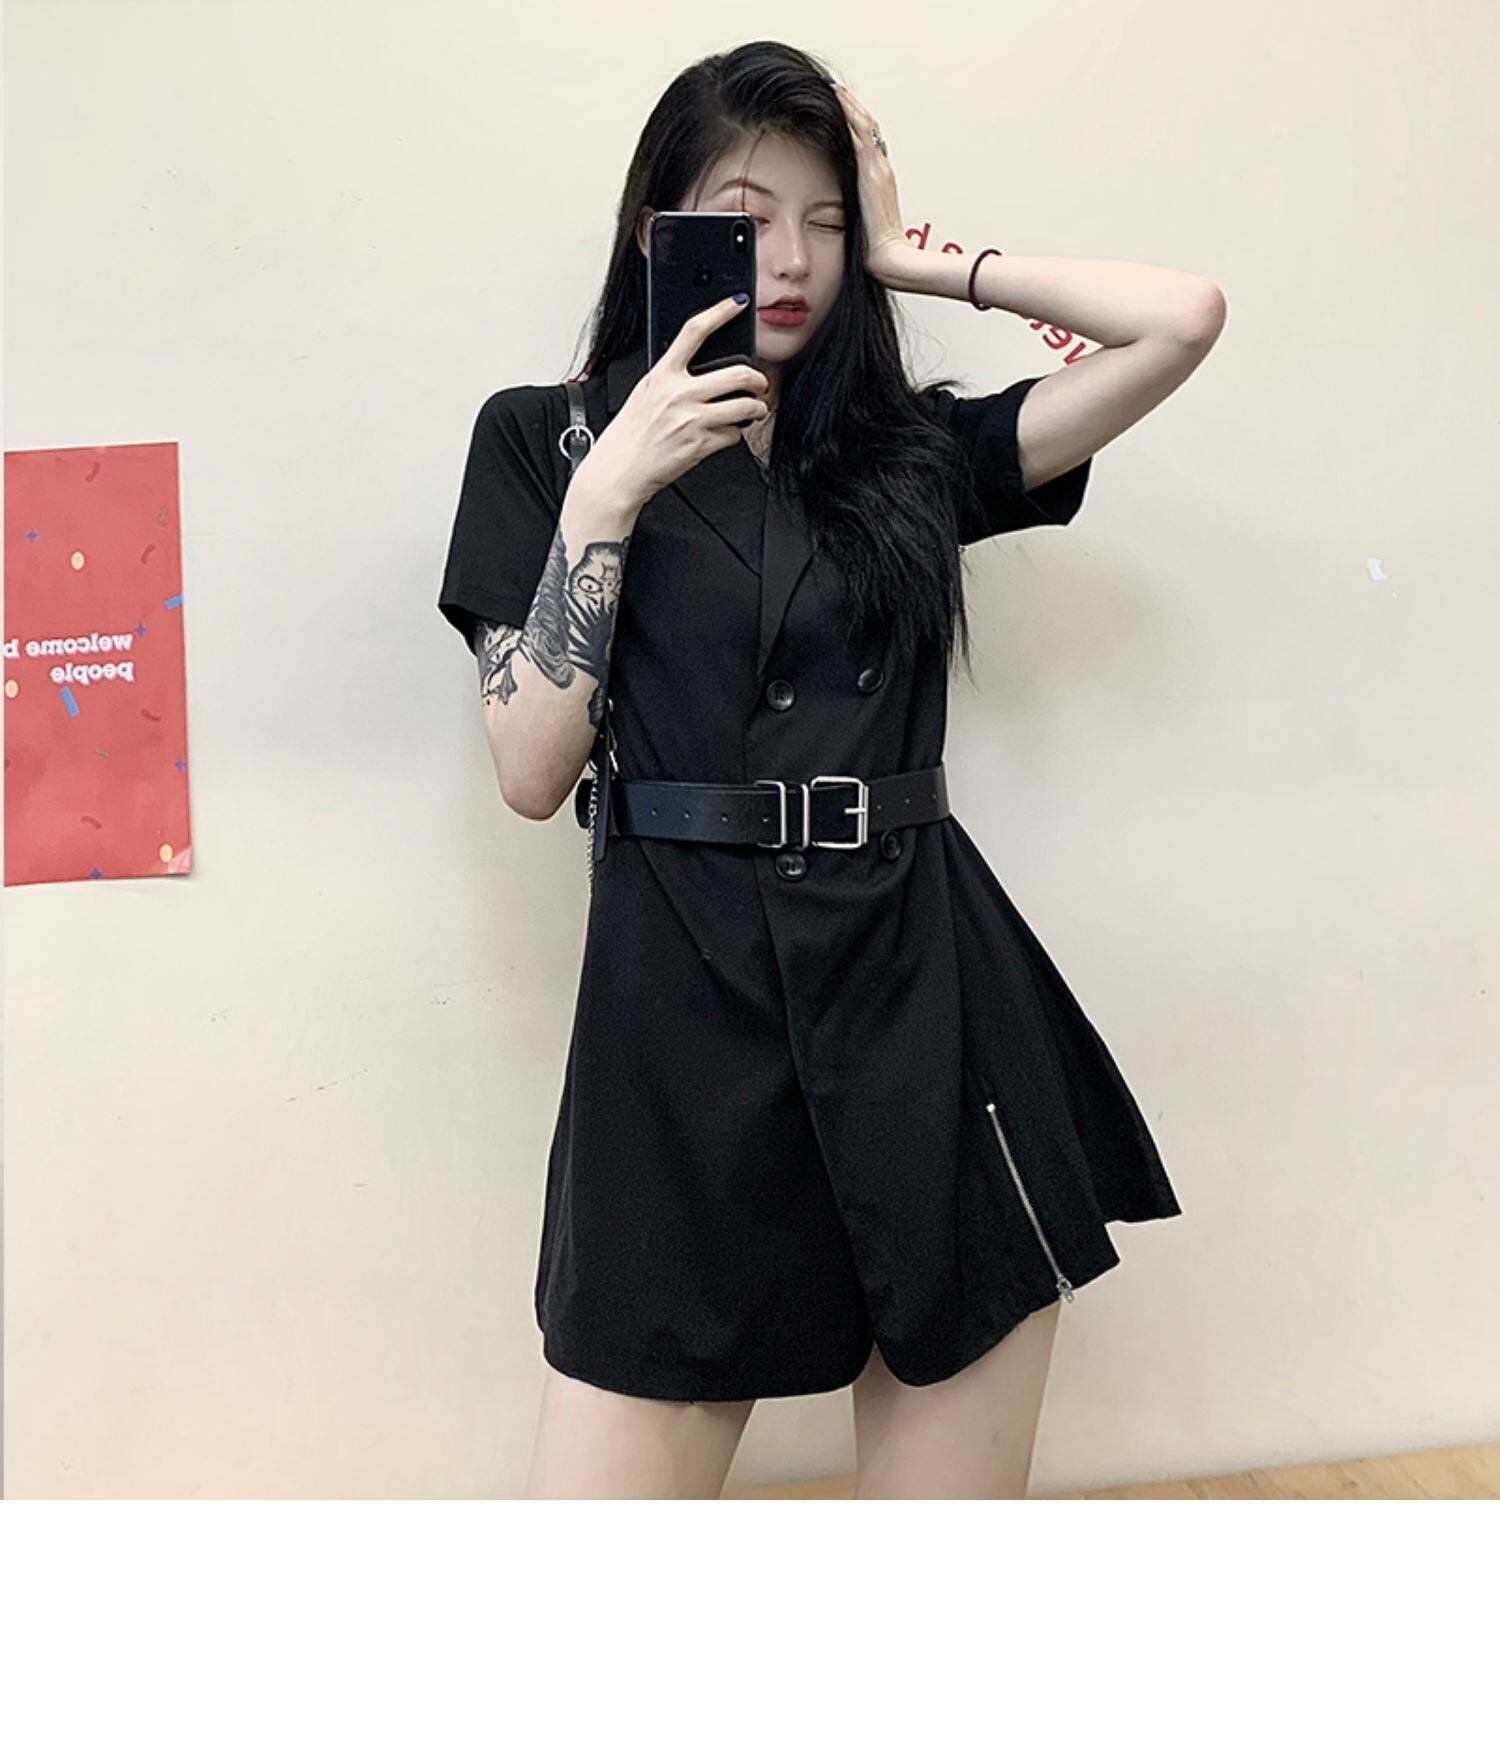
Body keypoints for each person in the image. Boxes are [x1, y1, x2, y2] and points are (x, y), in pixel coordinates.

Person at [437, 42, 1225, 1498]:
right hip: (681, 1027)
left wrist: (921, 259)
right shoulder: (544, 441)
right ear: (660, 230)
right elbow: (531, 768)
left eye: (824, 219)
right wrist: (610, 490)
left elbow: (1181, 323)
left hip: (927, 1006)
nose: (792, 260)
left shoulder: (905, 449)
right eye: (746, 219)